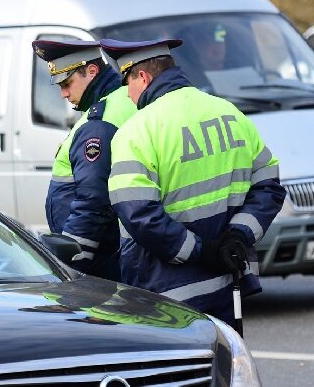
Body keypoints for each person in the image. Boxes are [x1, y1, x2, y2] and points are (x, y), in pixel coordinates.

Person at [100, 38, 286, 326]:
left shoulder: (136, 131)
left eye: (128, 85)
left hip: (165, 294)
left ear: (143, 77)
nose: (127, 96)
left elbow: (138, 214)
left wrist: (200, 251)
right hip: (227, 283)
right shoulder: (228, 112)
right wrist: (239, 236)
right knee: (225, 365)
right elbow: (269, 185)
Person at [31, 39, 137, 281]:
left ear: (91, 71)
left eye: (67, 83)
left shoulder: (100, 122)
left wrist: (73, 259)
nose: (64, 93)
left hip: (101, 258)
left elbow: (93, 199)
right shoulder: (123, 100)